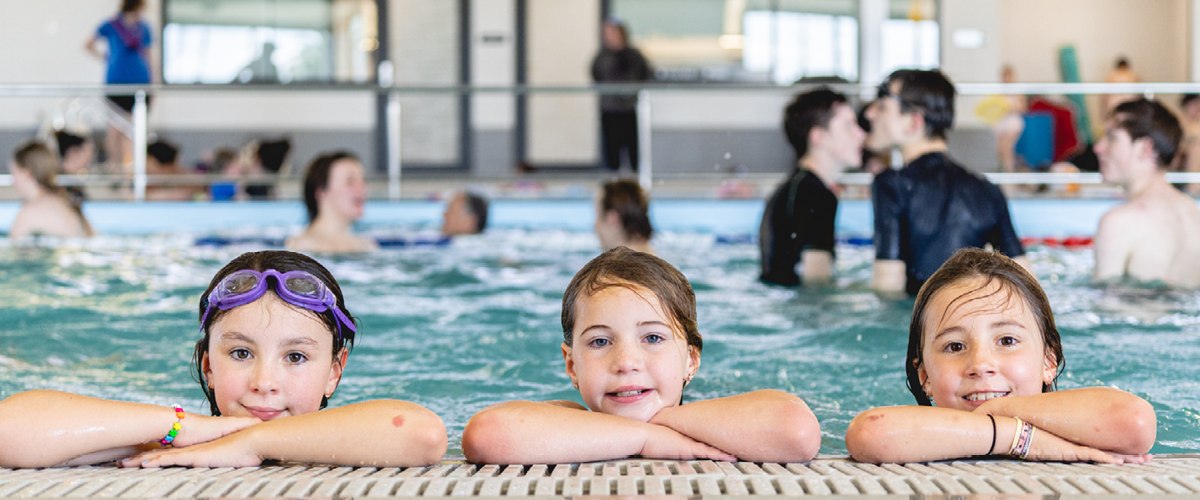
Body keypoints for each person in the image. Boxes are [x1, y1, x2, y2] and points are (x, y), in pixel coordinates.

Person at [0, 250, 447, 469]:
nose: (264, 381)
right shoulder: (177, 439)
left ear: (334, 372)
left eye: (295, 356)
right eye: (240, 353)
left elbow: (421, 434)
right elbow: (9, 430)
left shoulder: (354, 438)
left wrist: (252, 443)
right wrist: (183, 427)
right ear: (209, 367)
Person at [461, 247, 820, 464]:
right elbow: (486, 435)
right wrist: (645, 437)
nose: (626, 362)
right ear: (572, 365)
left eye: (652, 337)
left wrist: (662, 422)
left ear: (690, 360)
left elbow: (798, 431)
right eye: (600, 342)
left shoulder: (720, 421)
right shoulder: (567, 420)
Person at [845, 249, 1155, 464]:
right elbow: (869, 433)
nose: (980, 364)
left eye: (1007, 340)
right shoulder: (909, 432)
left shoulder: (1081, 418)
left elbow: (1136, 423)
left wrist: (1000, 408)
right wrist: (1016, 436)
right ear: (924, 375)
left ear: (1049, 361)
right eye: (955, 346)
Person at [866, 69, 1028, 295]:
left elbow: (888, 285)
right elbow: (1026, 282)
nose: (870, 113)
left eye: (881, 106)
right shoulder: (988, 189)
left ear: (913, 122)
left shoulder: (891, 184)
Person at [760, 88, 864, 286]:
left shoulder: (792, 188)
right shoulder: (817, 195)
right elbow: (816, 283)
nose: (860, 134)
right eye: (849, 126)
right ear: (819, 137)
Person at [1093, 99, 1200, 286]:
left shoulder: (1118, 222)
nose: (1098, 147)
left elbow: (1106, 308)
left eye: (1111, 137)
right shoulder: (1194, 214)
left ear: (1144, 148)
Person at [86, 0, 153, 167]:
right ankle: (116, 171)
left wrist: (154, 82)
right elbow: (88, 44)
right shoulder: (112, 25)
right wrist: (106, 59)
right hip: (116, 84)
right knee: (114, 130)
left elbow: (148, 55)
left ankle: (132, 172)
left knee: (134, 131)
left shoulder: (144, 27)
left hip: (140, 84)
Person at [591, 17, 653, 172]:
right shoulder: (602, 56)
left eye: (612, 32)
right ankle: (614, 184)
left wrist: (631, 91)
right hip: (610, 110)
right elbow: (596, 75)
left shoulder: (634, 55)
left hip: (630, 110)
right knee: (611, 153)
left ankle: (634, 183)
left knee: (633, 150)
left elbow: (647, 75)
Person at [286, 152, 378, 253]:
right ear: (321, 192)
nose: (362, 189)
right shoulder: (303, 247)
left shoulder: (365, 245)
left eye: (363, 181)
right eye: (350, 181)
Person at [9, 141, 94, 239]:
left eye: (14, 173)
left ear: (27, 173)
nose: (13, 181)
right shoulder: (69, 204)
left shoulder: (29, 213)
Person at [595, 180, 653, 254]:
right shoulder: (661, 263)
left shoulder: (619, 264)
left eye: (598, 217)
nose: (595, 226)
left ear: (612, 219)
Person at [55, 130, 94, 211]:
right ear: (73, 152)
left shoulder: (70, 181)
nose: (90, 158)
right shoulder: (64, 185)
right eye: (88, 152)